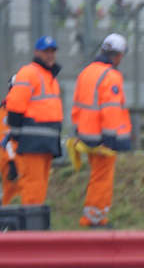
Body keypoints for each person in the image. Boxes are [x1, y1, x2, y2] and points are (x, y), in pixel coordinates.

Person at [71, 33, 132, 228]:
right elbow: (111, 110)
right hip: (103, 136)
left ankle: (93, 215)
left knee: (96, 176)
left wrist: (79, 131)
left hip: (86, 135)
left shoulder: (86, 72)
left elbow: (78, 106)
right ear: (118, 55)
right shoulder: (111, 76)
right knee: (103, 178)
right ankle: (94, 218)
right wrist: (110, 138)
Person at [3, 36, 63, 207]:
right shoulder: (29, 72)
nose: (50, 55)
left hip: (46, 141)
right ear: (37, 52)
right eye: (46, 51)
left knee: (41, 183)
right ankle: (30, 227)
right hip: (33, 141)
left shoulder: (50, 77)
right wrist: (16, 134)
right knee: (33, 184)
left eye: (52, 51)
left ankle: (36, 224)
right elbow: (15, 106)